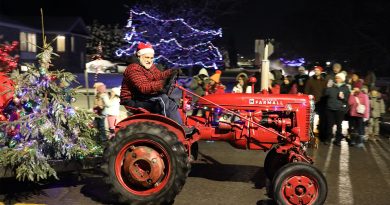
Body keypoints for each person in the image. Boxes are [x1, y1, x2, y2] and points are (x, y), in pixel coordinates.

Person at [119, 42, 194, 134]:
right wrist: (162, 84)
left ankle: (180, 126)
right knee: (162, 99)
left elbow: (158, 75)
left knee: (171, 101)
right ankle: (170, 129)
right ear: (139, 56)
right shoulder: (133, 68)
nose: (149, 60)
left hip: (141, 96)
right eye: (147, 57)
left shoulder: (149, 66)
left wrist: (172, 71)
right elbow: (143, 87)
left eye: (151, 58)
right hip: (132, 99)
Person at [323, 72, 350, 145]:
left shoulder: (346, 88)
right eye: (336, 78)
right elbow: (326, 94)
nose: (336, 79)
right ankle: (328, 139)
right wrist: (328, 87)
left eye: (338, 78)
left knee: (339, 125)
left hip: (339, 109)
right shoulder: (332, 86)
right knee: (329, 124)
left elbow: (347, 99)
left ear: (342, 79)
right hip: (330, 108)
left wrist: (343, 97)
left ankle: (338, 140)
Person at [304, 66, 327, 142]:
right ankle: (310, 135)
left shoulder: (324, 81)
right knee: (311, 119)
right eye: (315, 70)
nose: (316, 71)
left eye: (318, 70)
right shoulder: (310, 80)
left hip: (321, 103)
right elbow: (306, 91)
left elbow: (325, 91)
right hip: (312, 102)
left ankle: (321, 135)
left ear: (321, 72)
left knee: (322, 120)